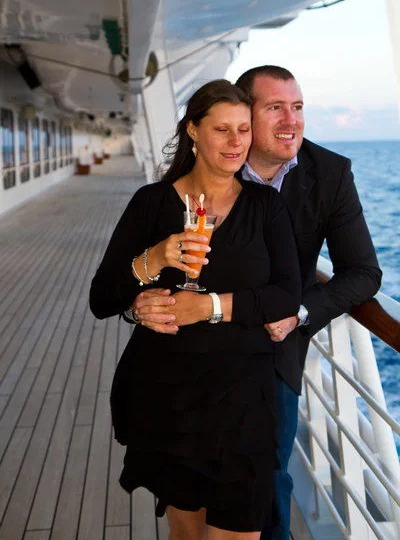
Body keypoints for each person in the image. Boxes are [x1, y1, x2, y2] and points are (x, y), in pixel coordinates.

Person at [131, 67, 382, 540]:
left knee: (265, 481)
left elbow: (364, 272)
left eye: (298, 107)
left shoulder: (329, 173)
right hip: (193, 348)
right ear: (244, 113)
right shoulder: (202, 172)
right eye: (274, 108)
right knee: (189, 479)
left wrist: (300, 313)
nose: (291, 120)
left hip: (272, 350)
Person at [89, 79, 302, 540]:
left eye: (243, 130)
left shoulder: (265, 205)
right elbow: (102, 298)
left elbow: (287, 294)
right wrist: (156, 260)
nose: (235, 142)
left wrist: (206, 307)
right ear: (192, 131)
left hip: (244, 396)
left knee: (241, 528)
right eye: (222, 129)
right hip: (168, 395)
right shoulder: (151, 203)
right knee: (187, 535)